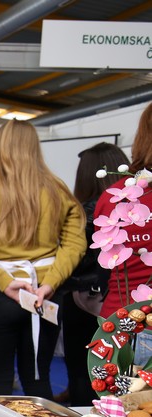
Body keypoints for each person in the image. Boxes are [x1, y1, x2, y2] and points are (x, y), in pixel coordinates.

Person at [0, 119, 86, 398]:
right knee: (38, 381)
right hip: (45, 297)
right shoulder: (58, 191)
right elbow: (75, 244)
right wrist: (49, 284)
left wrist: (3, 281)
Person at [58, 143, 128, 406]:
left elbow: (72, 255)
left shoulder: (84, 212)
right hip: (126, 299)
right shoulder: (131, 206)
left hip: (81, 298)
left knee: (82, 366)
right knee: (119, 368)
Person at [94, 103, 152, 319]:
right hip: (126, 321)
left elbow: (101, 265)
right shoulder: (117, 194)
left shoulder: (113, 194)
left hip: (119, 319)